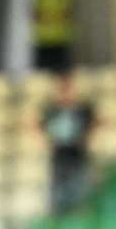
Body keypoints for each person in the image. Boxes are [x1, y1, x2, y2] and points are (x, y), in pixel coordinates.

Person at [41, 73, 97, 215]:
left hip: (78, 153)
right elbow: (35, 125)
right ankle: (58, 216)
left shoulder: (83, 108)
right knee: (57, 190)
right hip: (59, 154)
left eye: (68, 89)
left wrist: (88, 136)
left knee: (80, 187)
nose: (66, 93)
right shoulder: (51, 109)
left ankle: (79, 214)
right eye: (63, 89)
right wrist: (46, 140)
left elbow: (98, 122)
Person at [30, 0, 77, 77]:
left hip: (61, 40)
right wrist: (53, 16)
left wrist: (48, 17)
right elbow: (35, 15)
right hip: (43, 40)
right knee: (42, 76)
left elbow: (67, 14)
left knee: (63, 75)